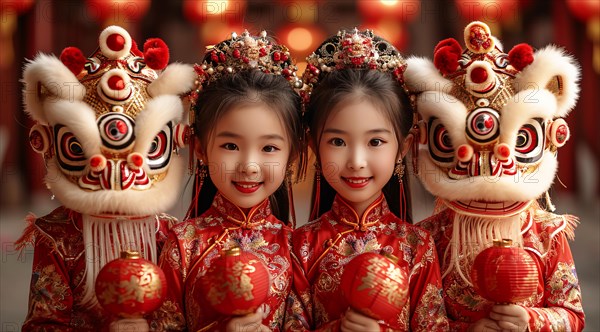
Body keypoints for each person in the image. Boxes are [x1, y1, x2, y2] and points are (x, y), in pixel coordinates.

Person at [404, 21, 585, 331]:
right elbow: (421, 321)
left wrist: (532, 320)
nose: (486, 163)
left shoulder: (547, 233)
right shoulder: (427, 238)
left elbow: (573, 315)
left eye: (521, 139)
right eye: (449, 140)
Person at [16, 25, 195, 330]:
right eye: (78, 147)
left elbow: (181, 318)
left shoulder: (173, 236)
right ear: (45, 142)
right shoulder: (56, 236)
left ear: (175, 141)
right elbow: (43, 324)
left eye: (150, 146)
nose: (115, 169)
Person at [285, 29, 448, 331]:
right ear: (312, 146)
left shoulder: (417, 246)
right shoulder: (300, 246)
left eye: (375, 142)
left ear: (404, 147)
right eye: (337, 142)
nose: (356, 162)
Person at [150, 31, 304, 331]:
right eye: (230, 146)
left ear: (292, 155)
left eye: (269, 148)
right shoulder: (182, 245)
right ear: (200, 150)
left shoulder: (298, 248)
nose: (249, 166)